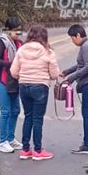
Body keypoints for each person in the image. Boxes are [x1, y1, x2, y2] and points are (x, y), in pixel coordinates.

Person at [10, 25, 60, 161]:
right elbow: (55, 74)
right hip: (40, 86)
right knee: (38, 119)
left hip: (24, 86)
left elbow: (13, 72)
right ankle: (38, 150)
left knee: (28, 117)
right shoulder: (48, 52)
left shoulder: (21, 50)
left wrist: (24, 76)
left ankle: (25, 150)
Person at [61, 24, 88, 154]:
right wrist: (67, 71)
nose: (72, 41)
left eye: (73, 38)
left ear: (78, 35)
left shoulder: (85, 46)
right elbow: (81, 64)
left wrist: (71, 78)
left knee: (87, 114)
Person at [0, 18, 23, 153]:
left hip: (14, 81)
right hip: (0, 80)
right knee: (6, 111)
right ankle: (2, 141)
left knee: (15, 110)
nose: (18, 33)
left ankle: (11, 138)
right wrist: (12, 64)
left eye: (19, 30)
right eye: (16, 31)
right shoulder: (1, 42)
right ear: (8, 30)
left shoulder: (19, 43)